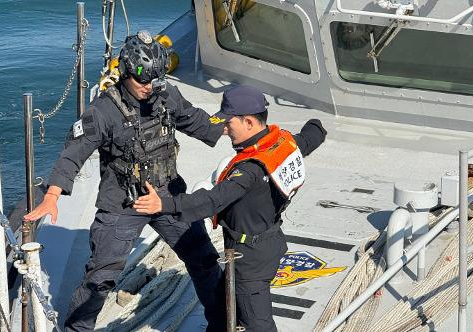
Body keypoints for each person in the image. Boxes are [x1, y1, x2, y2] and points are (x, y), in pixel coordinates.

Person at [23, 31, 226, 332]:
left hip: (168, 194)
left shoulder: (165, 94)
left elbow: (195, 119)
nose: (149, 87)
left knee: (205, 260)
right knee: (100, 278)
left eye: (156, 79)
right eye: (143, 81)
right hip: (122, 203)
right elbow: (72, 154)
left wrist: (239, 128)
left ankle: (222, 323)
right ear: (125, 72)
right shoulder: (102, 111)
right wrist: (52, 195)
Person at [134, 85, 327, 331]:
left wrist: (164, 203)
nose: (224, 130)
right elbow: (308, 139)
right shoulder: (280, 144)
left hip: (249, 259)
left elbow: (212, 200)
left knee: (256, 322)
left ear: (248, 122)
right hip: (268, 242)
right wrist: (317, 126)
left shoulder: (248, 171)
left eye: (229, 123)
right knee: (230, 305)